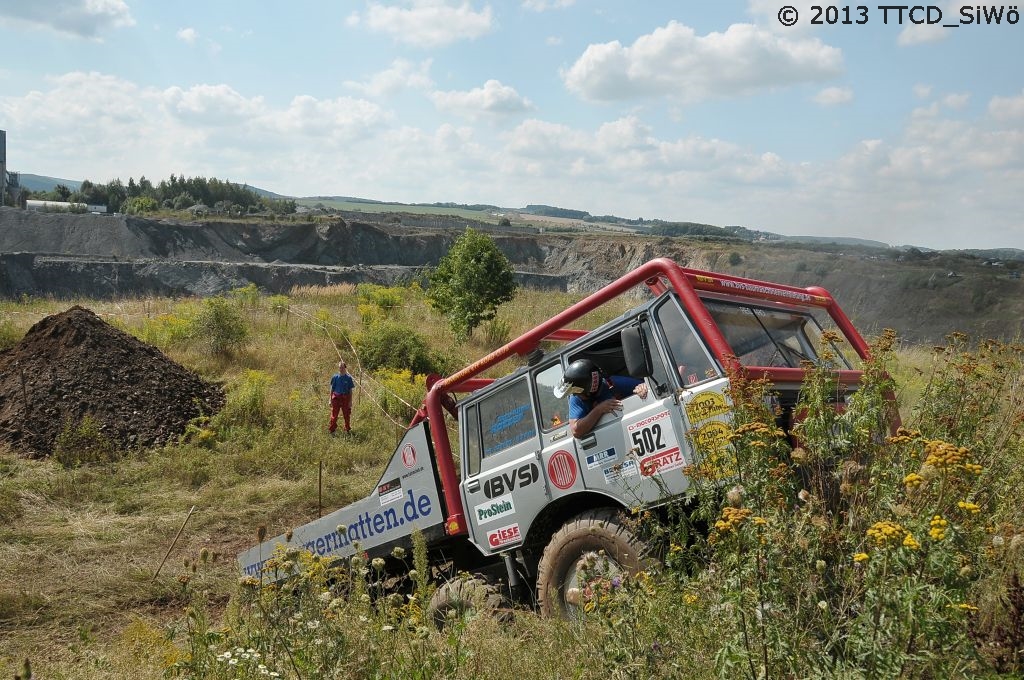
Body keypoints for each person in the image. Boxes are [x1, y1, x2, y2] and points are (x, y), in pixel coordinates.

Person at [553, 358, 648, 438]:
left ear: (589, 389)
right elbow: (576, 430)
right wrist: (599, 409)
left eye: (577, 392)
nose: (574, 395)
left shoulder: (615, 383)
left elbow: (644, 385)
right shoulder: (576, 397)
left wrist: (641, 388)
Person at [329, 360, 355, 434]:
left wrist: (350, 401)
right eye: (340, 367)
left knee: (346, 415)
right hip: (336, 398)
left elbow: (350, 390)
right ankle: (332, 430)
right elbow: (332, 389)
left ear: (345, 368)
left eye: (343, 367)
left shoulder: (348, 378)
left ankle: (347, 429)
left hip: (345, 398)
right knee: (334, 415)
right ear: (338, 368)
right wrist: (330, 399)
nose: (341, 369)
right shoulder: (335, 377)